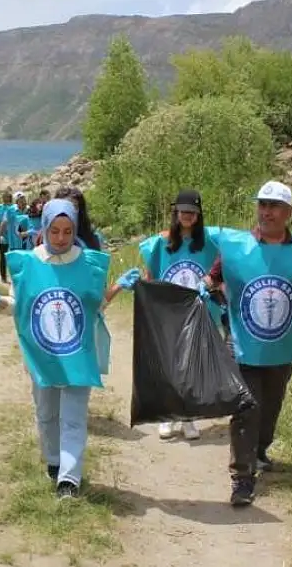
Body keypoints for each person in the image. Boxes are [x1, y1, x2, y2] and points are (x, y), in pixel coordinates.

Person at [201, 180, 292, 507]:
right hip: (242, 342)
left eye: (274, 206)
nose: (267, 211)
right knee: (247, 407)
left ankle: (259, 448)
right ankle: (242, 478)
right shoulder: (236, 247)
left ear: (289, 212)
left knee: (270, 407)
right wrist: (205, 290)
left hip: (280, 347)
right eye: (262, 204)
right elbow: (213, 278)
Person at [0, 199, 111, 500]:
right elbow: (21, 306)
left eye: (68, 232)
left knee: (73, 417)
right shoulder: (28, 263)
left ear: (75, 231)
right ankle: (54, 460)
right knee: (46, 413)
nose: (61, 238)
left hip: (75, 355)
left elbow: (96, 307)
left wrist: (118, 289)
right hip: (42, 354)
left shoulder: (88, 264)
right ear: (44, 228)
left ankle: (69, 480)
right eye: (55, 231)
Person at [106, 189, 223, 441]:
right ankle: (169, 416)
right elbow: (152, 275)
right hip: (168, 311)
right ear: (176, 213)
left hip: (197, 312)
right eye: (183, 212)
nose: (187, 216)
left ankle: (188, 417)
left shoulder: (209, 245)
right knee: (170, 364)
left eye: (192, 212)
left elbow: (218, 274)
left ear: (199, 214)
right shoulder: (162, 243)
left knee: (192, 366)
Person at [51, 186, 102, 251]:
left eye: (73, 207)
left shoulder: (93, 238)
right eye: (65, 207)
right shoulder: (46, 237)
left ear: (80, 210)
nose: (68, 211)